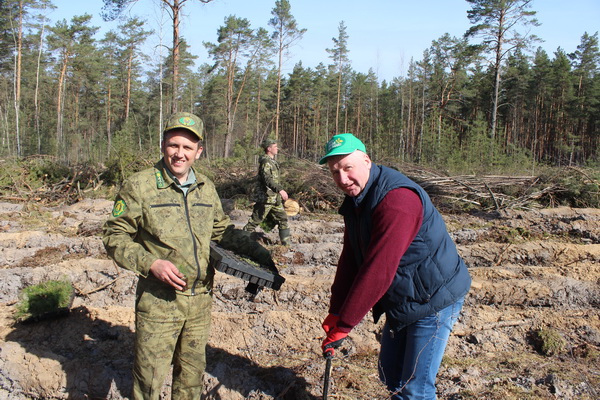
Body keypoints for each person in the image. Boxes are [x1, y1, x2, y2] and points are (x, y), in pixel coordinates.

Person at [102, 112, 274, 400]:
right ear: (163, 146)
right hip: (159, 302)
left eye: (187, 147)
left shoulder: (206, 188)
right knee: (149, 380)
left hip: (200, 300)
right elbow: (114, 236)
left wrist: (260, 255)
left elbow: (222, 232)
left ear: (199, 151)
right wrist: (151, 263)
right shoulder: (140, 186)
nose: (179, 154)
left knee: (191, 379)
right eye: (173, 145)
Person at [319, 133, 471, 400]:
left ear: (367, 161)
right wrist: (336, 311)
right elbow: (351, 257)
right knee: (390, 374)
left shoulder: (397, 200)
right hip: (405, 296)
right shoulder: (358, 200)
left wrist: (346, 324)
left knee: (415, 388)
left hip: (433, 298)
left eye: (348, 167)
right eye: (335, 172)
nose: (342, 179)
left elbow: (379, 269)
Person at [243, 137, 290, 246]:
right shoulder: (266, 162)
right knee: (255, 221)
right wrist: (280, 189)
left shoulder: (272, 162)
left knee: (283, 219)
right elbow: (267, 179)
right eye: (275, 146)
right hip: (265, 198)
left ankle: (286, 245)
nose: (277, 148)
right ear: (269, 149)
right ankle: (240, 241)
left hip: (274, 199)